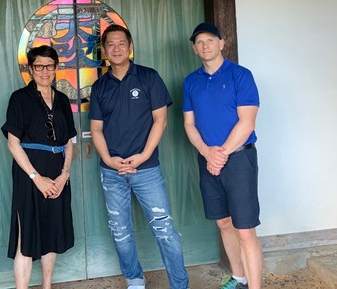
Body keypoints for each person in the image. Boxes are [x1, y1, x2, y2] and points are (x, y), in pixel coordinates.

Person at [89, 24, 189, 289]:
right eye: (111, 44)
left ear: (130, 47)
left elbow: (161, 120)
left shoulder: (148, 77)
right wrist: (109, 160)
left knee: (164, 230)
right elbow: (96, 130)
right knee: (120, 232)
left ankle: (179, 284)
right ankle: (134, 280)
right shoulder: (99, 86)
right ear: (104, 50)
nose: (116, 48)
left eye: (122, 43)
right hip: (112, 172)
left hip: (147, 170)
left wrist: (144, 155)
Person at [182, 22, 262, 289]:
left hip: (239, 159)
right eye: (199, 42)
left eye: (210, 40)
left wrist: (222, 153)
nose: (205, 45)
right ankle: (239, 279)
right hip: (208, 160)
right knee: (224, 223)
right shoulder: (191, 81)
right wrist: (207, 153)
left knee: (245, 229)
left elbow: (247, 122)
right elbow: (189, 124)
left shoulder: (241, 75)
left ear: (221, 43)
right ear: (194, 48)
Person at [1, 45, 76, 289]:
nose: (45, 71)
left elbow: (69, 142)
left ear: (56, 68)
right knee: (27, 235)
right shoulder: (19, 98)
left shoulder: (63, 99)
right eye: (39, 66)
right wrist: (36, 177)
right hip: (29, 176)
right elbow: (13, 144)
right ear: (31, 69)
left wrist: (65, 174)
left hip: (58, 175)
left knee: (52, 232)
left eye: (50, 66)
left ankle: (47, 286)